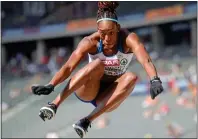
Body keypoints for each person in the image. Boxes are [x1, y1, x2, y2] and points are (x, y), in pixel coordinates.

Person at [31, 1, 163, 138]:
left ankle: (86, 121)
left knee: (132, 77)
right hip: (89, 89)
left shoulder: (128, 39)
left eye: (111, 33)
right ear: (98, 30)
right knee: (96, 64)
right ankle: (54, 105)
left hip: (108, 97)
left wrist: (154, 79)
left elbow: (145, 59)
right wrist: (51, 84)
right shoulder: (89, 42)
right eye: (103, 34)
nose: (107, 39)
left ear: (118, 27)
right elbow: (69, 66)